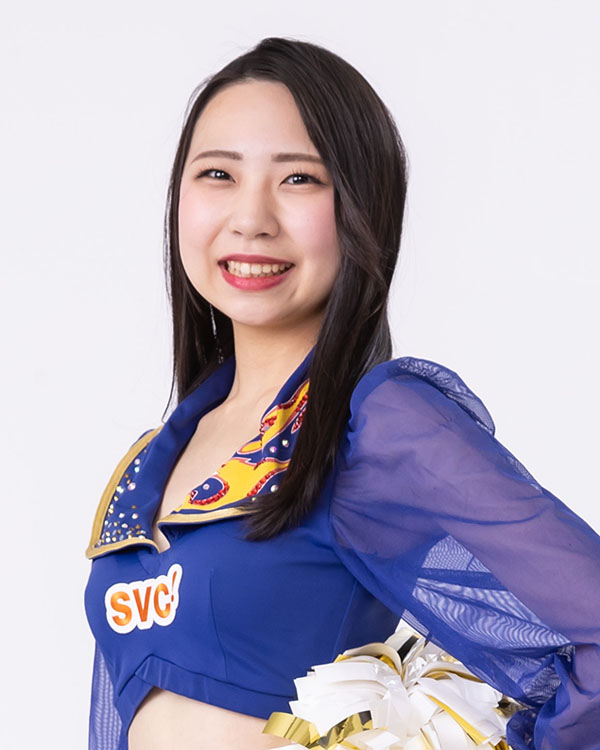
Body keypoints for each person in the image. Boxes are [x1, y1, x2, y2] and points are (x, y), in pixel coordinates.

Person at [83, 36, 600, 750]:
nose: (251, 217)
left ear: (363, 205)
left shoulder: (375, 423)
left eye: (299, 179)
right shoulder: (155, 459)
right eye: (217, 174)